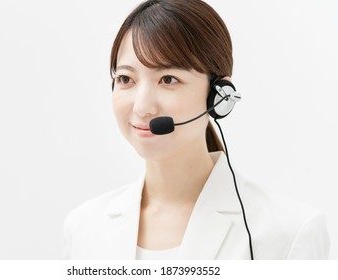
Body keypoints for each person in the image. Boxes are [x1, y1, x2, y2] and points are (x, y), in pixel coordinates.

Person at [63, 0, 330, 259]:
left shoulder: (289, 234)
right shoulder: (84, 228)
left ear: (219, 96)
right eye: (125, 79)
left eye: (168, 79)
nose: (142, 107)